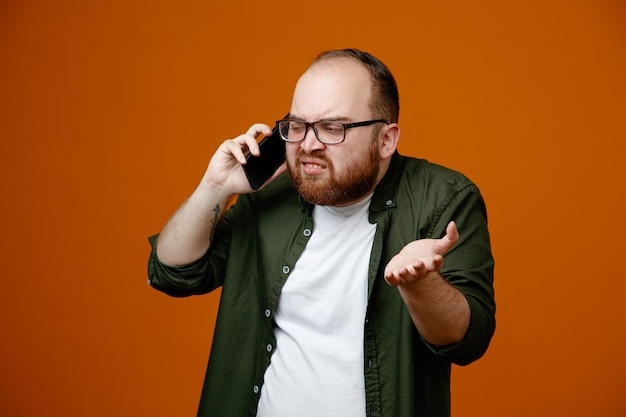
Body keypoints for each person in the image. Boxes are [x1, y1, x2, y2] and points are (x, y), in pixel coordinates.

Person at [147, 48, 495, 417]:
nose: (308, 144)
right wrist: (215, 188)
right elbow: (173, 274)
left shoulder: (444, 199)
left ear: (386, 140)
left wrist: (420, 284)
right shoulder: (268, 195)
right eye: (298, 125)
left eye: (333, 128)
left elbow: (467, 340)